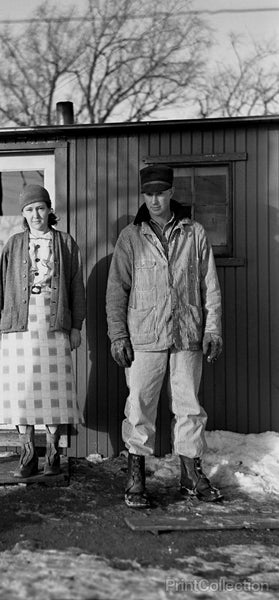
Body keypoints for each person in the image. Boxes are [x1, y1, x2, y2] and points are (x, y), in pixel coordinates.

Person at [106, 164, 223, 509]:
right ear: (143, 195)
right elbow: (116, 291)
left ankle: (190, 473)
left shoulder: (195, 233)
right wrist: (118, 336)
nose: (154, 200)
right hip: (144, 337)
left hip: (187, 333)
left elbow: (209, 286)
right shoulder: (131, 237)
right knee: (139, 406)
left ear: (171, 192)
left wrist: (212, 328)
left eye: (160, 192)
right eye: (148, 194)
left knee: (189, 406)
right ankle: (136, 477)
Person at [0, 184, 86, 478]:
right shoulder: (14, 243)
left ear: (49, 210)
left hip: (53, 323)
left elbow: (76, 288)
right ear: (23, 213)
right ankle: (28, 455)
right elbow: (1, 287)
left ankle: (53, 455)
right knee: (22, 391)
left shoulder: (66, 243)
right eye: (29, 210)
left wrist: (75, 326)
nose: (36, 215)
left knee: (53, 391)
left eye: (40, 208)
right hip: (18, 324)